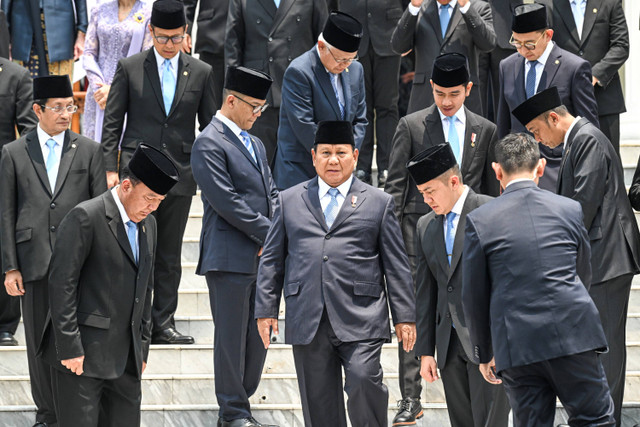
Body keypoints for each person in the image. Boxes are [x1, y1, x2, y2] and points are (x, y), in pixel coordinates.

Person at [256, 120, 417, 427]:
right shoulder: (289, 200)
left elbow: (396, 264)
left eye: (341, 152)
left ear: (355, 156)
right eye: (326, 152)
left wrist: (405, 316)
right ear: (313, 155)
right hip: (308, 315)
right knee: (318, 403)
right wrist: (266, 309)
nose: (333, 160)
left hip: (362, 314)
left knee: (363, 380)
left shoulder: (378, 202)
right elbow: (273, 259)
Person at [462, 132, 615, 426]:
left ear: (497, 171)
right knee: (595, 421)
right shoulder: (570, 209)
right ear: (541, 167)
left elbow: (473, 295)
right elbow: (582, 273)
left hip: (518, 344)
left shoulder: (480, 220)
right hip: (574, 334)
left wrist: (484, 351)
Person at [512, 86, 640, 427]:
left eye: (538, 132)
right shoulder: (581, 140)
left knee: (606, 346)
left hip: (607, 259)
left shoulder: (588, 140)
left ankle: (606, 419)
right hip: (598, 259)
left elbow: (582, 205)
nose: (539, 142)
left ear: (554, 117)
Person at [384, 53, 499, 425]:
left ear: (468, 89)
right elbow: (396, 192)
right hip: (424, 239)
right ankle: (410, 394)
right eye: (438, 93)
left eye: (453, 93)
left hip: (471, 243)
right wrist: (403, 245)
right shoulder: (412, 125)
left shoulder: (485, 129)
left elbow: (488, 192)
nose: (446, 102)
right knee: (417, 311)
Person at [102, 0, 217, 345]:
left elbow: (209, 127)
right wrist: (111, 168)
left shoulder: (201, 72)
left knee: (168, 254)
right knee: (133, 250)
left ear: (186, 34)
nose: (170, 44)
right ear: (151, 32)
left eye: (177, 37)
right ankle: (131, 321)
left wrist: (211, 174)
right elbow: (113, 122)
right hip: (137, 174)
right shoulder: (130, 67)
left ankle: (163, 322)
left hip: (179, 175)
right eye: (164, 37)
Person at [39, 144, 178, 426]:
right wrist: (69, 347)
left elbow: (146, 289)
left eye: (159, 202)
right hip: (82, 358)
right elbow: (61, 284)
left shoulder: (148, 225)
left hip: (127, 361)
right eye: (149, 198)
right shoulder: (85, 217)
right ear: (126, 185)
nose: (152, 207)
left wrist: (142, 347)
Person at [0, 75, 106, 427]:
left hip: (78, 263)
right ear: (37, 110)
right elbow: (6, 212)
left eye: (70, 107)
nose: (65, 114)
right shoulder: (14, 152)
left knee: (73, 339)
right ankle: (46, 415)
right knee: (36, 344)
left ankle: (72, 414)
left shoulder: (89, 150)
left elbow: (98, 208)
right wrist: (10, 267)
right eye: (57, 108)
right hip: (33, 262)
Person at [191, 66, 278, 427]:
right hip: (228, 256)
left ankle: (241, 404)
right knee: (230, 338)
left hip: (262, 256)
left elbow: (271, 192)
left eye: (262, 108)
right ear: (231, 100)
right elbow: (226, 202)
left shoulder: (254, 142)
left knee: (258, 338)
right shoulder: (208, 142)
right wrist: (269, 234)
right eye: (254, 107)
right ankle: (232, 412)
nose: (258, 115)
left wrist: (275, 234)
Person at [408, 143, 510, 427]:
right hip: (449, 346)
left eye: (430, 191)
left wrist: (497, 346)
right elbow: (425, 291)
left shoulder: (491, 210)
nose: (427, 200)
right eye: (422, 194)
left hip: (488, 345)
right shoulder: (425, 225)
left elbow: (504, 284)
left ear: (453, 181)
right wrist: (426, 350)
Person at [496, 2, 598, 191]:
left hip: (558, 172)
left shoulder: (574, 68)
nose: (523, 50)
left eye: (530, 44)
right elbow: (503, 125)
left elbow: (589, 130)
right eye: (517, 43)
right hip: (517, 176)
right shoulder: (507, 66)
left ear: (548, 35)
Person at [225, 0, 328, 166]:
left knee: (298, 167)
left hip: (299, 91)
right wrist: (235, 94)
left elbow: (322, 40)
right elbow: (233, 46)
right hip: (258, 93)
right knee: (260, 165)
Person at [272, 11, 367, 190]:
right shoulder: (300, 72)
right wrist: (334, 157)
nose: (345, 64)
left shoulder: (355, 70)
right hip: (301, 169)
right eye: (340, 59)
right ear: (322, 46)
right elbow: (304, 125)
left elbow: (360, 119)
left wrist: (346, 157)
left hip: (340, 170)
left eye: (350, 59)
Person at [391, 0, 496, 117]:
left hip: (464, 98)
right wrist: (414, 7)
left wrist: (466, 8)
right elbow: (398, 46)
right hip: (425, 98)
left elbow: (488, 44)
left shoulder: (478, 7)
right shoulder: (419, 8)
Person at [340, 0, 404, 187]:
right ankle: (361, 165)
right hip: (352, 37)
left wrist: (406, 35)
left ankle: (387, 166)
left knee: (388, 105)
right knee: (360, 107)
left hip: (389, 36)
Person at [552, 0, 629, 155]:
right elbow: (548, 47)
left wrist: (594, 75)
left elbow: (621, 46)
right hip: (566, 103)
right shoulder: (548, 4)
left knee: (609, 160)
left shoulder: (610, 2)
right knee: (571, 161)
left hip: (604, 100)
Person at [0, 59, 38, 347]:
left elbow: (28, 131)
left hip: (2, 174)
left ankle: (4, 323)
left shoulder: (16, 75)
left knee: (4, 246)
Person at [82, 0, 153, 142]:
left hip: (129, 92)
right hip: (98, 95)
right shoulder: (99, 9)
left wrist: (115, 91)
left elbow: (147, 57)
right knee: (94, 152)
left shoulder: (149, 12)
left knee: (124, 153)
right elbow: (89, 53)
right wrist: (99, 88)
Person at [2, 0, 87, 77]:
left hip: (61, 26)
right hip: (22, 24)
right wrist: (5, 36)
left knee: (60, 89)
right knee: (24, 88)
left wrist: (82, 32)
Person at [182, 0, 229, 109]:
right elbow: (187, 2)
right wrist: (184, 29)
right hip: (212, 35)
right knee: (211, 105)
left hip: (249, 34)